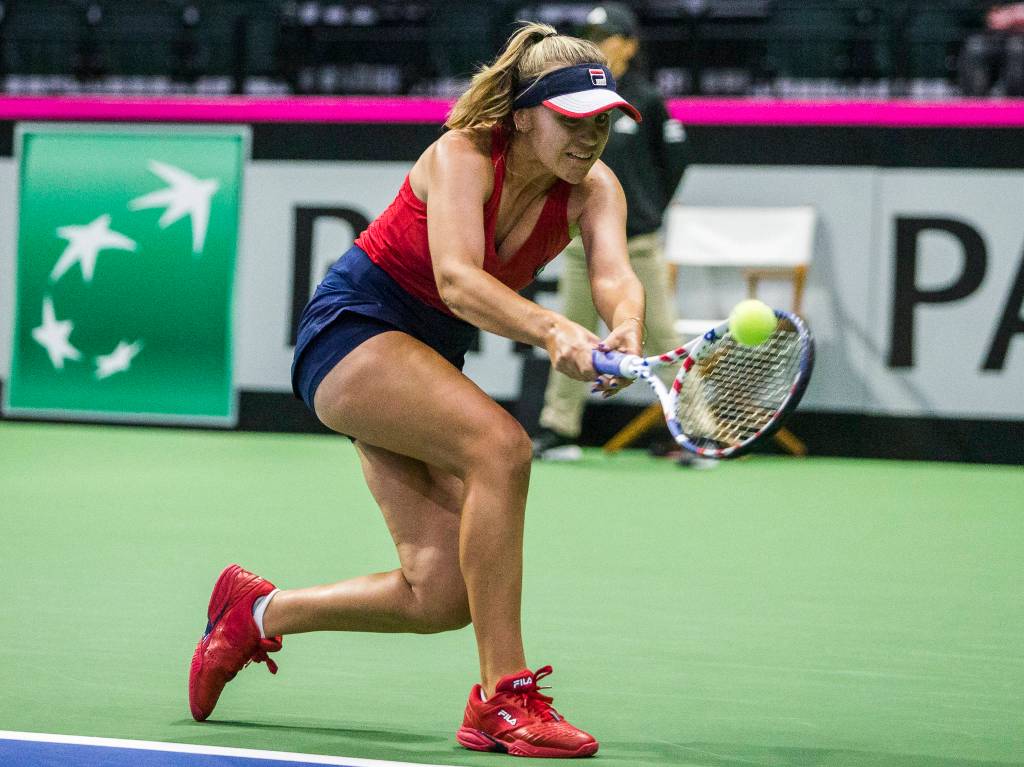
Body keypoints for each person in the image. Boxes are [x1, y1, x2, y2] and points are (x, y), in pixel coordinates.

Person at [188, 22, 646, 759]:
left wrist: (624, 325)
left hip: (425, 357)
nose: (590, 137)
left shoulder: (594, 189)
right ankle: (503, 697)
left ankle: (257, 613)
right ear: (523, 115)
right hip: (354, 331)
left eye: (603, 122)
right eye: (573, 120)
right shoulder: (463, 155)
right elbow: (458, 280)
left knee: (440, 594)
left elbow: (615, 275)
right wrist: (552, 330)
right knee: (501, 447)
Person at [531, 3, 688, 461]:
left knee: (662, 336)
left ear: (630, 46)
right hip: (580, 244)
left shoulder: (648, 99)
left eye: (607, 38)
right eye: (592, 37)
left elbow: (674, 163)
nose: (598, 46)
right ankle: (558, 429)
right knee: (570, 332)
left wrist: (646, 210)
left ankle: (692, 430)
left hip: (637, 244)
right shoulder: (576, 97)